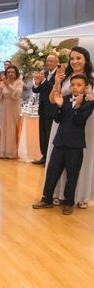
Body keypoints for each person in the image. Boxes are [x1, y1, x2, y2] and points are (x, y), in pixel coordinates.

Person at [33, 74, 94, 215]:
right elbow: (58, 119)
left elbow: (80, 122)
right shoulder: (65, 99)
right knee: (52, 172)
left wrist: (78, 107)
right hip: (60, 141)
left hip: (75, 144)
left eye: (79, 85)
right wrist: (59, 106)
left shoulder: (89, 102)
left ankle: (69, 202)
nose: (75, 88)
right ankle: (46, 199)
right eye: (73, 85)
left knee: (72, 174)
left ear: (85, 88)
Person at [44, 47, 94, 208]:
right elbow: (53, 99)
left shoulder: (92, 78)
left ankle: (79, 196)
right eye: (72, 58)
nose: (75, 61)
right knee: (56, 163)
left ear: (86, 59)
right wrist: (57, 83)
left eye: (78, 58)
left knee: (79, 162)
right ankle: (56, 194)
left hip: (85, 124)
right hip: (63, 122)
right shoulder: (64, 78)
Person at [32, 54, 59, 164]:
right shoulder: (46, 73)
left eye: (51, 61)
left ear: (57, 62)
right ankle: (44, 156)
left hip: (52, 109)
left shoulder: (59, 74)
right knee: (42, 135)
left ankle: (50, 159)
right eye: (47, 61)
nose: (48, 63)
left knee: (49, 134)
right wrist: (37, 84)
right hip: (42, 108)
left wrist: (43, 81)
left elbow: (53, 88)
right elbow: (36, 91)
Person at [0, 65, 24, 158]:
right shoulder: (3, 83)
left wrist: (9, 86)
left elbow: (17, 95)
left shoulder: (19, 82)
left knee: (13, 129)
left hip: (14, 107)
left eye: (12, 72)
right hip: (4, 107)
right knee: (4, 128)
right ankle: (4, 152)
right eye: (8, 72)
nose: (10, 74)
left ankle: (13, 153)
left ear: (16, 74)